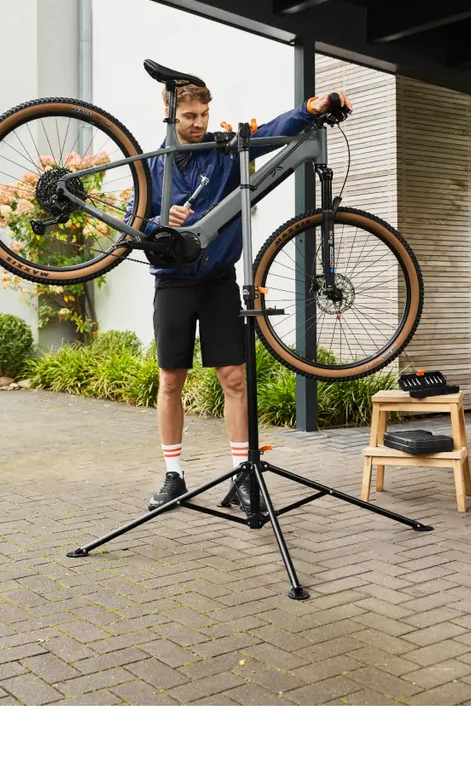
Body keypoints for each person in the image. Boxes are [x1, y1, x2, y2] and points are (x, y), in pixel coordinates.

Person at [143, 79, 352, 511]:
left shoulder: (225, 149)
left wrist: (311, 108)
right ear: (170, 116)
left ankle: (242, 477)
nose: (199, 123)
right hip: (173, 282)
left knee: (234, 378)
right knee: (170, 381)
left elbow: (274, 130)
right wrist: (163, 220)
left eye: (203, 114)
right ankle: (174, 477)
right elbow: (135, 222)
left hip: (218, 279)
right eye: (189, 117)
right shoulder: (153, 166)